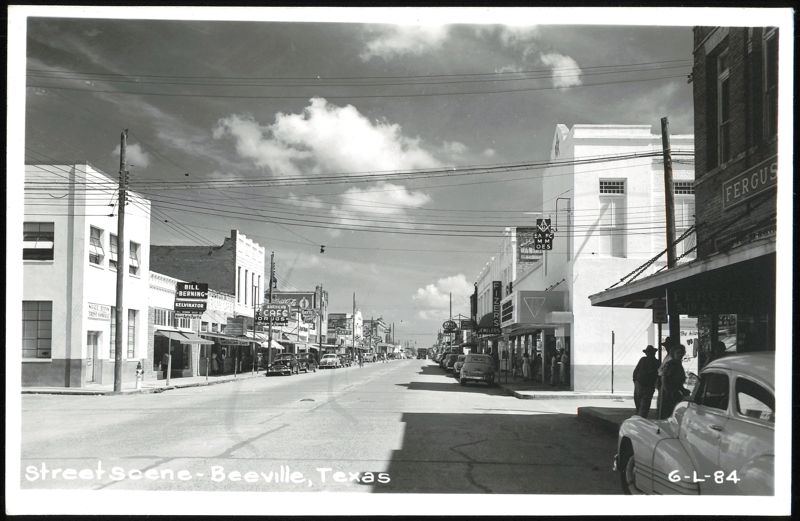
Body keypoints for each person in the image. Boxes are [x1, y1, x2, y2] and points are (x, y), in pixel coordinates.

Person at [659, 344, 690, 419]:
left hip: (674, 392)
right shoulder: (671, 364)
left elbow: (677, 381)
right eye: (678, 353)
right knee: (667, 415)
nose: (680, 355)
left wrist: (683, 389)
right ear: (673, 354)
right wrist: (669, 392)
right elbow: (664, 378)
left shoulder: (678, 364)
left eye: (682, 353)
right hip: (668, 394)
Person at [632, 345, 659, 418]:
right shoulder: (646, 360)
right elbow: (636, 371)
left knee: (643, 405)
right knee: (641, 404)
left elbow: (636, 371)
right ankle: (640, 418)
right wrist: (635, 381)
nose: (649, 354)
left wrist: (635, 380)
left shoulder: (655, 362)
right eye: (649, 352)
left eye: (650, 352)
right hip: (642, 385)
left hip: (646, 386)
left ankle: (640, 419)